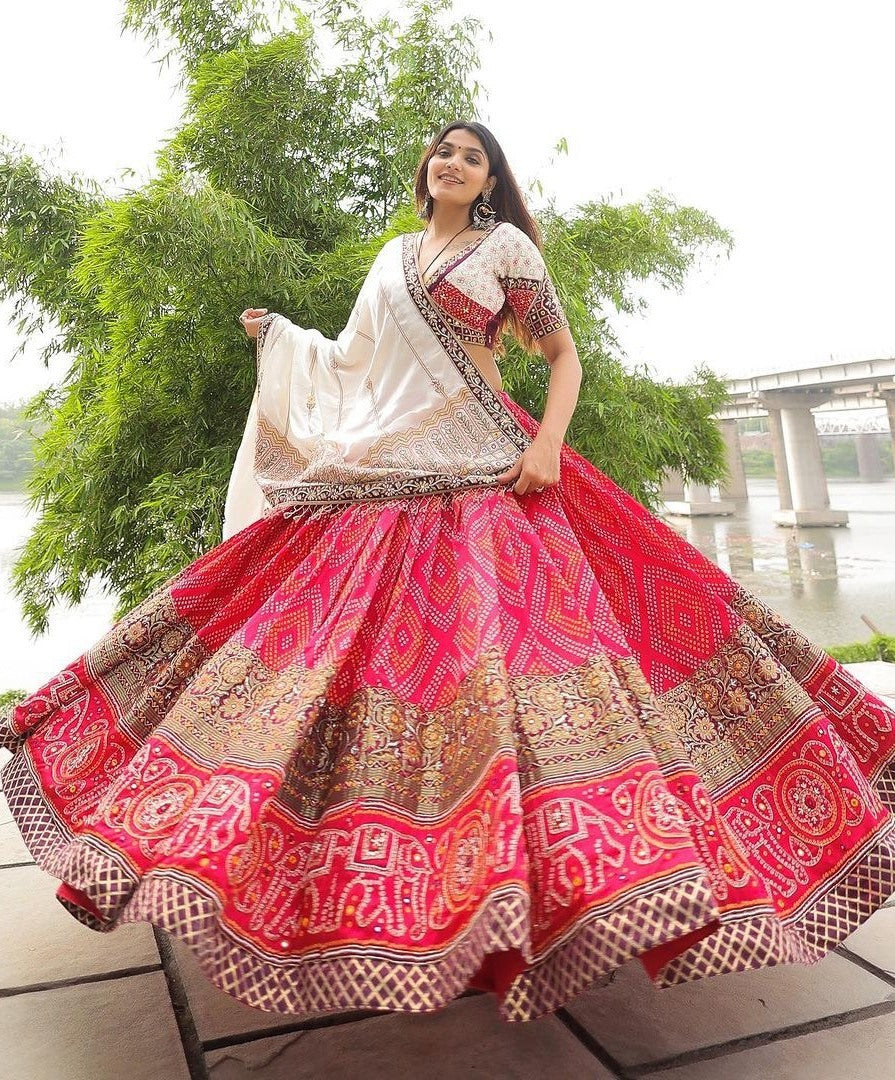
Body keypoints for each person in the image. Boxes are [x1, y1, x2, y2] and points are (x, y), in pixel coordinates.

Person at [2, 120, 894, 1025]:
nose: (455, 163)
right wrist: (279, 338)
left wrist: (547, 442)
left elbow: (561, 355)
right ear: (424, 170)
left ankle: (570, 896)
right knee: (339, 643)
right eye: (444, 152)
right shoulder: (392, 257)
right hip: (397, 465)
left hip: (498, 467)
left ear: (491, 180)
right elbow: (352, 363)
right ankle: (406, 906)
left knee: (558, 651)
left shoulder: (501, 247)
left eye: (474, 156)